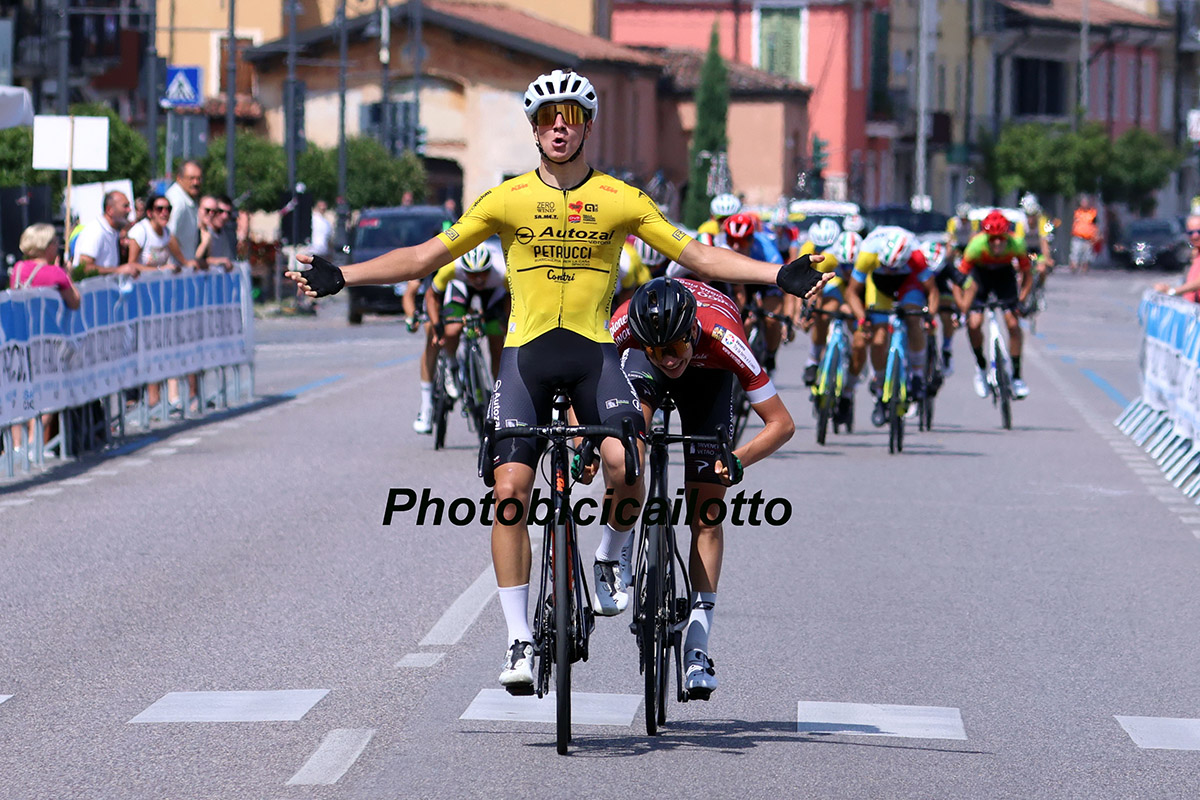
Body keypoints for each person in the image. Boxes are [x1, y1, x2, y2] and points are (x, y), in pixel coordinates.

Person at [287, 68, 827, 695]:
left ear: (587, 126)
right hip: (525, 359)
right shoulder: (505, 199)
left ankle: (609, 553)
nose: (559, 126)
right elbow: (425, 256)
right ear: (535, 129)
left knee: (628, 468)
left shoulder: (621, 199)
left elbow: (696, 256)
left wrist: (775, 272)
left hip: (595, 356)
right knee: (510, 489)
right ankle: (518, 637)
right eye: (548, 118)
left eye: (571, 116)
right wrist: (344, 276)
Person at [594, 277, 795, 699]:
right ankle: (617, 546)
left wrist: (738, 459)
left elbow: (782, 424)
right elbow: (589, 386)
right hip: (638, 371)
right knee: (629, 449)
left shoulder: (723, 337)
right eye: (658, 350)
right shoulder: (627, 326)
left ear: (691, 334)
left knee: (707, 510)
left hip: (710, 376)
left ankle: (698, 647)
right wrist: (585, 443)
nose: (668, 359)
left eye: (676, 348)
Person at [844, 225, 939, 426]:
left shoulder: (915, 255)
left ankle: (918, 375)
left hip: (908, 282)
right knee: (878, 340)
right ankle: (880, 393)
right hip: (879, 285)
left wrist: (929, 317)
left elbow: (932, 291)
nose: (891, 269)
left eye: (894, 266)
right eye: (888, 265)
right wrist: (862, 318)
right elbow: (852, 292)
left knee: (914, 319)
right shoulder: (868, 253)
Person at [8, 224, 80, 451]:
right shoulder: (55, 273)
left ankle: (18, 445)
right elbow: (75, 301)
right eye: (54, 243)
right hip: (50, 340)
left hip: (22, 338)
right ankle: (34, 441)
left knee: (20, 389)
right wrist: (68, 275)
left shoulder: (18, 269)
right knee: (49, 390)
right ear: (47, 246)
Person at [958, 209, 1033, 399]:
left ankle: (1016, 376)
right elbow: (960, 278)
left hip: (1004, 277)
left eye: (1001, 238)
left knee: (1013, 325)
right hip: (981, 277)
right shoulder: (976, 245)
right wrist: (960, 307)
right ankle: (981, 367)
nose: (997, 242)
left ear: (1007, 235)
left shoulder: (1016, 243)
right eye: (992, 238)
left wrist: (1022, 299)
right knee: (974, 324)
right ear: (986, 236)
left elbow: (1027, 274)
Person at [425, 241, 509, 386]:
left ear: (490, 268)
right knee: (451, 330)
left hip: (493, 292)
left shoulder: (502, 272)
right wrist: (436, 324)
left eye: (484, 272)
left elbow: (511, 298)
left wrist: (505, 319)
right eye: (472, 274)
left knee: (497, 343)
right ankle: (451, 364)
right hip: (462, 287)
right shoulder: (452, 268)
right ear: (464, 270)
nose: (479, 279)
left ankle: (498, 391)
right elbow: (432, 295)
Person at [72, 191, 138, 277]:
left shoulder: (113, 231)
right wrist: (118, 270)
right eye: (125, 206)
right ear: (109, 210)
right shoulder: (95, 231)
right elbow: (85, 267)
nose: (129, 210)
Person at [127, 194, 198, 271]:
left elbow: (182, 260)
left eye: (168, 209)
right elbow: (131, 265)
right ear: (149, 213)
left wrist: (187, 264)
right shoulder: (139, 231)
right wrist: (160, 270)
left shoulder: (167, 232)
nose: (165, 213)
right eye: (159, 209)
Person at [1153, 213, 1200, 300]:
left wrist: (1173, 291)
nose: (1195, 236)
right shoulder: (1194, 254)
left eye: (1199, 231)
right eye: (1191, 232)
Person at [167, 159, 204, 261]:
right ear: (179, 178)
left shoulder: (187, 199)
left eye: (199, 178)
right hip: (175, 269)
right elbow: (169, 236)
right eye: (191, 178)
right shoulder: (176, 201)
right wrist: (185, 263)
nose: (196, 182)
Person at [196, 195, 238, 271]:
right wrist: (218, 261)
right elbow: (194, 259)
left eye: (228, 213)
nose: (224, 216)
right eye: (220, 211)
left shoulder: (225, 234)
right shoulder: (201, 231)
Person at [1069, 194, 1098, 275]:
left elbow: (1095, 225)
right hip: (1078, 237)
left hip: (1088, 238)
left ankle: (1084, 269)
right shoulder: (1077, 212)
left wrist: (1095, 235)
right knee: (1075, 253)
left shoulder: (1092, 213)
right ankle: (1074, 267)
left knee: (1086, 255)